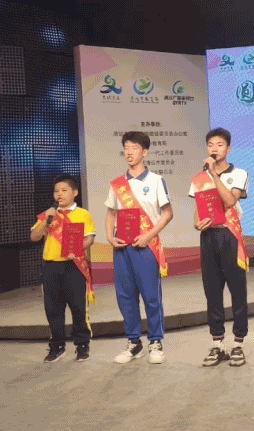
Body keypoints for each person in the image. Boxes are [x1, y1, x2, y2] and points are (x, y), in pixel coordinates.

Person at [105, 131, 172, 364]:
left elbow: (167, 213)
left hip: (146, 246)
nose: (129, 152)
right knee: (125, 296)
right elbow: (110, 213)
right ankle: (134, 342)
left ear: (144, 152)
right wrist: (109, 237)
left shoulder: (155, 180)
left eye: (134, 147)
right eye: (126, 147)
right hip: (122, 247)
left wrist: (148, 235)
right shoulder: (117, 184)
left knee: (151, 296)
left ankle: (156, 341)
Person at [189, 127, 249, 367]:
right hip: (209, 237)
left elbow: (230, 200)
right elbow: (198, 209)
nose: (214, 149)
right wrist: (196, 223)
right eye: (211, 145)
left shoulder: (239, 173)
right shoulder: (198, 178)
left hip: (230, 236)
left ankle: (238, 344)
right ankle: (217, 344)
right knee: (212, 292)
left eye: (220, 144)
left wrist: (214, 175)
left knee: (237, 291)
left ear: (228, 149)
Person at [30, 175, 96, 362]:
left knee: (78, 308)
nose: (59, 194)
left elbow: (90, 238)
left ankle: (82, 345)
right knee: (53, 309)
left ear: (75, 192)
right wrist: (46, 220)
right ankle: (57, 346)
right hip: (51, 267)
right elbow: (34, 237)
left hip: (73, 266)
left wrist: (77, 249)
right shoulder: (49, 214)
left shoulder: (83, 214)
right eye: (56, 191)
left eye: (64, 190)